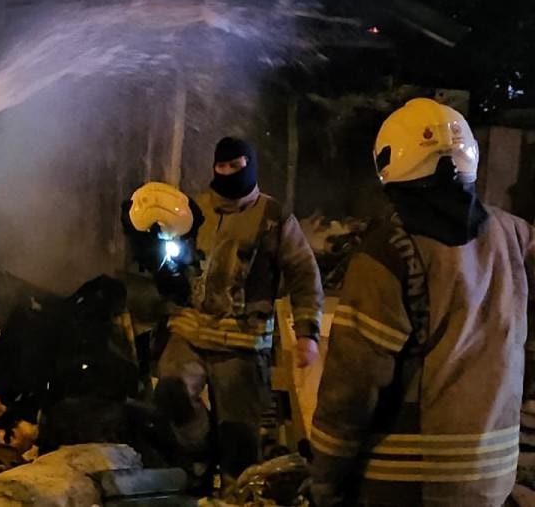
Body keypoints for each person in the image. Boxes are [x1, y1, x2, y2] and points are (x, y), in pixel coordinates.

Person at [310, 98, 534, 507]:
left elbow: (351, 387)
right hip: (492, 478)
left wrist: (324, 480)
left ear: (389, 164)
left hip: (403, 480)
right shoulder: (516, 237)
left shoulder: (389, 251)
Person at [154, 138, 323, 485]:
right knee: (171, 391)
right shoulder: (194, 211)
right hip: (191, 330)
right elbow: (172, 261)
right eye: (222, 166)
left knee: (239, 438)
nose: (229, 172)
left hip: (243, 340)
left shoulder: (273, 217)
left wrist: (308, 332)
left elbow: (304, 273)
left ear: (251, 165)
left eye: (236, 165)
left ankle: (236, 490)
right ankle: (201, 454)